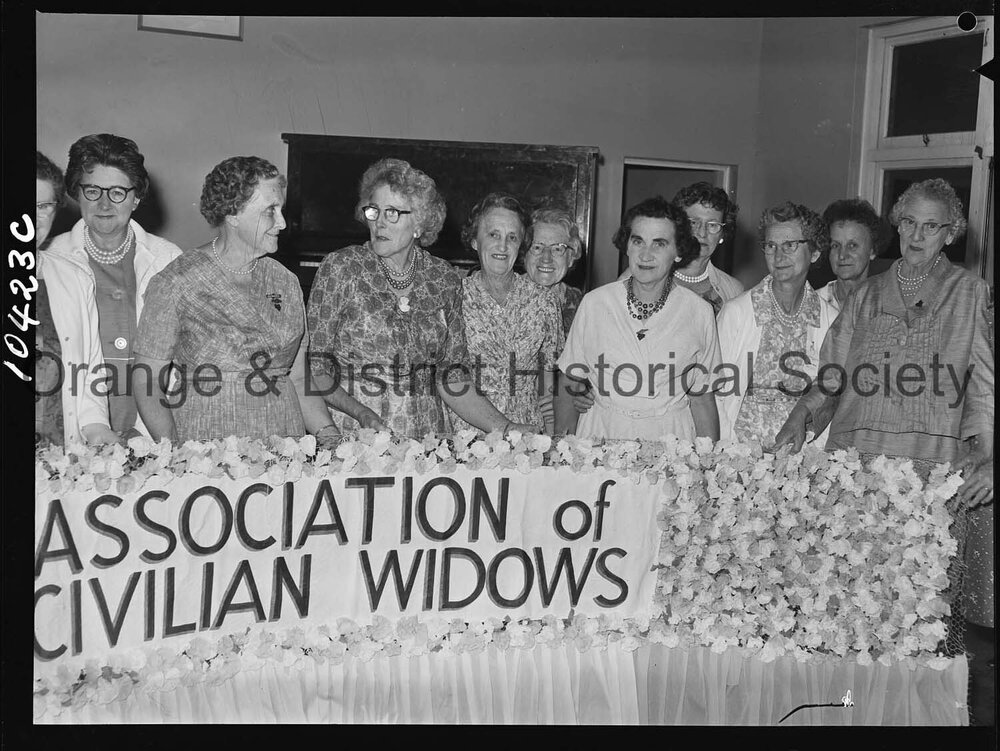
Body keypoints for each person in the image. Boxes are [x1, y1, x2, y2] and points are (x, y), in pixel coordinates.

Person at [774, 179, 994, 659]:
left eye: (931, 226)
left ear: (951, 233)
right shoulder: (867, 293)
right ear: (897, 225)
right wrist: (801, 414)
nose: (917, 236)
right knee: (851, 599)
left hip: (931, 467)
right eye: (909, 223)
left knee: (919, 612)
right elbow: (831, 373)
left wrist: (986, 453)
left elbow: (983, 382)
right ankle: (850, 697)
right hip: (858, 466)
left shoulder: (970, 292)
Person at [307, 159, 538, 438]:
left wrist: (505, 427)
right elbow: (316, 368)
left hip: (425, 437)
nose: (379, 222)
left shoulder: (443, 278)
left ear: (419, 223)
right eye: (374, 211)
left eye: (392, 213)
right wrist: (360, 412)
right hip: (357, 433)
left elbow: (452, 377)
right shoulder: (341, 268)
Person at [133, 156, 340, 443]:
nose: (282, 223)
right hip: (205, 443)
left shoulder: (286, 281)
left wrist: (330, 437)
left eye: (281, 210)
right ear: (232, 214)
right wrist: (173, 453)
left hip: (285, 443)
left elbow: (298, 378)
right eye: (270, 211)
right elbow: (147, 382)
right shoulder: (176, 281)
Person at [44, 134, 181, 441]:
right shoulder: (50, 257)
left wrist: (148, 433)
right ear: (76, 193)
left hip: (152, 428)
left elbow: (181, 360)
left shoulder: (168, 259)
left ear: (136, 198)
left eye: (118, 192)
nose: (104, 204)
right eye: (92, 190)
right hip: (76, 433)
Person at [554, 196, 720, 441]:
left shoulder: (699, 312)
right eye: (638, 241)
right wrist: (560, 449)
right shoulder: (595, 303)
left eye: (659, 244)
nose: (645, 255)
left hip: (671, 441)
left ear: (678, 252)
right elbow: (570, 381)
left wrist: (709, 459)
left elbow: (702, 398)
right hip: (601, 436)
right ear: (627, 246)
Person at [715, 202, 838, 445]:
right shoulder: (736, 313)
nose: (779, 256)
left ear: (814, 253)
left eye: (790, 245)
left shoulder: (830, 320)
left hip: (801, 455)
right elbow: (715, 393)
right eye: (771, 245)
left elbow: (831, 392)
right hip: (738, 454)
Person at [456, 193, 564, 433]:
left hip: (527, 431)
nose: (503, 246)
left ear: (521, 245)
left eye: (512, 237)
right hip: (469, 430)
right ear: (474, 240)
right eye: (493, 235)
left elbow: (548, 379)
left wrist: (550, 433)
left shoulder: (544, 300)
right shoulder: (455, 297)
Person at [35, 151, 116, 446]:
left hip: (61, 455)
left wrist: (98, 431)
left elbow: (90, 374)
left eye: (43, 206)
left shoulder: (75, 277)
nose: (31, 218)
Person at [669, 182, 744, 313]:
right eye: (693, 223)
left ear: (722, 234)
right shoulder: (648, 275)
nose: (702, 233)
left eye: (712, 225)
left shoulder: (734, 291)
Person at [816, 198, 886, 312]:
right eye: (835, 245)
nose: (842, 255)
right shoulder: (813, 306)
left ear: (872, 251)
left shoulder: (887, 307)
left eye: (852, 245)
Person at [523, 207, 585, 335]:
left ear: (571, 258)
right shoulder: (503, 298)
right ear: (524, 255)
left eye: (557, 249)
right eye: (537, 247)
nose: (546, 258)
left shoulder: (583, 306)